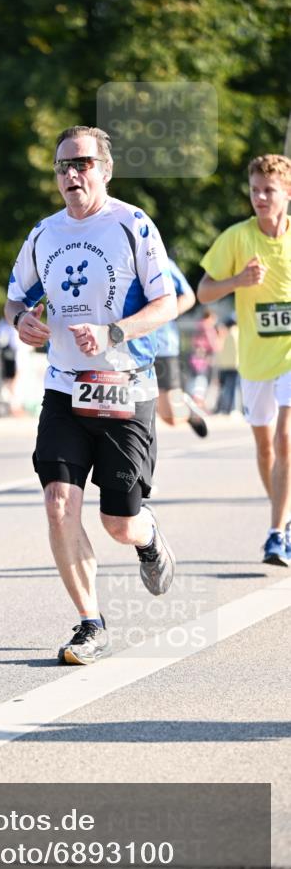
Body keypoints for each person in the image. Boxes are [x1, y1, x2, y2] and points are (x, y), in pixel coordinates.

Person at [6, 125, 177, 666]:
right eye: (62, 166)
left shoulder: (132, 225)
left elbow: (167, 302)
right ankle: (89, 622)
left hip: (126, 386)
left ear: (104, 169)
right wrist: (22, 323)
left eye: (81, 163)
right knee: (59, 504)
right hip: (63, 388)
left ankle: (148, 538)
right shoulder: (44, 234)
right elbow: (14, 301)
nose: (70, 175)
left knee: (118, 522)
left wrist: (114, 332)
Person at [197, 153, 291, 565]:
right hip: (255, 361)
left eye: (268, 190)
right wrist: (238, 281)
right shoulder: (237, 237)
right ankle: (284, 520)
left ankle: (274, 534)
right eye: (254, 190)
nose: (260, 197)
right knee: (265, 446)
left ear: (287, 192)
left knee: (285, 438)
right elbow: (203, 292)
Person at [154, 258, 208, 437]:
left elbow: (188, 296)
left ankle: (187, 409)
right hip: (127, 346)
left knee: (170, 417)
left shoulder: (161, 260)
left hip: (161, 346)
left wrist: (156, 318)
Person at [188, 308, 219, 408]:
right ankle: (198, 404)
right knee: (201, 382)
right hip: (203, 359)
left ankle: (196, 403)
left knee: (196, 381)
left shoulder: (198, 326)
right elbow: (213, 345)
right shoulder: (207, 327)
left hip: (194, 358)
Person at [214, 315, 240, 415]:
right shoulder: (237, 333)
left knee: (224, 388)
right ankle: (232, 409)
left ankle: (223, 408)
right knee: (233, 388)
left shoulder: (223, 334)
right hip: (235, 365)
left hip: (223, 365)